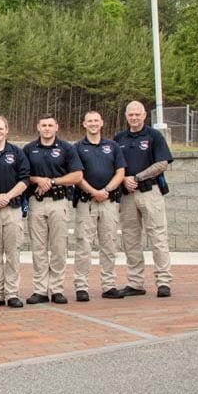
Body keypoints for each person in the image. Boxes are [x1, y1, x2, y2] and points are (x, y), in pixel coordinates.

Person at [114, 100, 174, 298]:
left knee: (158, 237)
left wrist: (137, 177)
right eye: (131, 114)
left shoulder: (154, 136)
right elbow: (114, 166)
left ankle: (163, 281)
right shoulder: (119, 138)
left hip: (150, 192)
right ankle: (135, 282)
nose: (134, 118)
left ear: (144, 115)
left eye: (137, 114)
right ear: (126, 116)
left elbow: (162, 163)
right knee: (130, 239)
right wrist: (123, 178)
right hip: (127, 196)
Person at [23, 114, 83, 304]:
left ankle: (56, 288)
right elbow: (23, 175)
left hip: (59, 202)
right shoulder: (29, 149)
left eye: (50, 125)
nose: (47, 128)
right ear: (38, 127)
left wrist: (52, 181)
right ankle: (40, 289)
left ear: (57, 127)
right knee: (38, 248)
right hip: (37, 202)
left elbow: (77, 176)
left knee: (58, 247)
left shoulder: (67, 148)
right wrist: (37, 179)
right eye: (43, 125)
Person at [73, 111, 127, 301]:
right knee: (83, 244)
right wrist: (93, 192)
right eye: (90, 121)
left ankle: (109, 285)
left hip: (109, 202)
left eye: (96, 120)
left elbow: (120, 172)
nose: (93, 124)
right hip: (86, 202)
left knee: (109, 244)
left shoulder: (112, 146)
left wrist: (106, 190)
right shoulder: (78, 147)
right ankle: (81, 286)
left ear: (102, 123)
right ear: (84, 124)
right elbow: (76, 175)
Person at [0, 115, 30, 308]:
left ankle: (12, 293)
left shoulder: (17, 153)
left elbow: (25, 179)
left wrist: (7, 196)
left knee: (12, 252)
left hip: (12, 208)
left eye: (1, 128)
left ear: (6, 130)